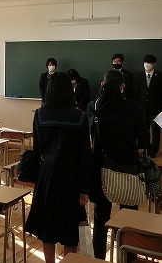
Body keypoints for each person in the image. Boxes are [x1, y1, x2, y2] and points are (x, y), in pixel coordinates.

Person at [25, 72, 92, 263]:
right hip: (71, 176)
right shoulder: (80, 116)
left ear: (49, 90)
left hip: (47, 173)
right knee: (70, 226)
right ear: (70, 90)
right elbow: (84, 155)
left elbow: (37, 150)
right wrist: (85, 188)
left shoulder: (40, 114)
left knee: (48, 225)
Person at [87, 70, 149, 259]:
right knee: (129, 217)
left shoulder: (93, 106)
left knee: (100, 219)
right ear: (123, 86)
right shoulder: (132, 106)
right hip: (127, 168)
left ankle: (98, 258)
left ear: (102, 84)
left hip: (100, 168)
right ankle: (128, 257)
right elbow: (144, 139)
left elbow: (90, 135)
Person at [134, 54, 162, 158]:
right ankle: (146, 148)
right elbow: (137, 92)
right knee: (144, 130)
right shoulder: (139, 76)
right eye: (145, 62)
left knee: (155, 131)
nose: (147, 64)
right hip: (142, 109)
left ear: (154, 64)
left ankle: (154, 151)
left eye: (149, 63)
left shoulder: (160, 76)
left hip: (155, 109)